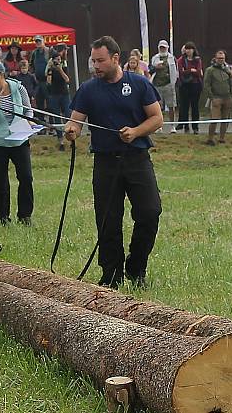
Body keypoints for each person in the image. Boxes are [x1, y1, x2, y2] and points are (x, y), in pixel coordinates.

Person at [64, 35, 163, 289]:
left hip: (137, 159)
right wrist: (72, 130)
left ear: (115, 58)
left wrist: (136, 132)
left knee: (150, 212)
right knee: (108, 221)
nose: (95, 66)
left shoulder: (140, 84)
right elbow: (75, 120)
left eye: (100, 61)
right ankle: (111, 274)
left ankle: (136, 266)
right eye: (92, 61)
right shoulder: (88, 89)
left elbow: (156, 119)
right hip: (106, 163)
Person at [0, 61, 34, 226]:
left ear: (1, 75)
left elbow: (28, 109)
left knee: (26, 177)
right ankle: (3, 216)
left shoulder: (19, 88)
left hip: (20, 139)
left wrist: (28, 121)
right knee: (1, 181)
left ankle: (25, 215)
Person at [202, 50, 232, 145]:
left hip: (227, 97)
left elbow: (231, 82)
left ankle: (222, 138)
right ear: (215, 59)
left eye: (223, 58)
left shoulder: (228, 69)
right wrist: (212, 97)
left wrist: (231, 94)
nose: (221, 60)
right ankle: (210, 138)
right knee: (214, 119)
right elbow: (206, 85)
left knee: (225, 119)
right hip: (216, 97)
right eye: (219, 58)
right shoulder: (210, 70)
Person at [150, 40, 178, 134]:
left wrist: (174, 82)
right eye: (161, 47)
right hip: (157, 85)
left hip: (169, 84)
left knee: (171, 106)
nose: (162, 49)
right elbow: (150, 70)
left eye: (164, 47)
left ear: (167, 48)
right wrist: (155, 67)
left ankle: (172, 125)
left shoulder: (172, 58)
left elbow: (175, 71)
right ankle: (159, 126)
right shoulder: (155, 58)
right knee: (158, 107)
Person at [46, 49, 71, 151]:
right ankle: (60, 140)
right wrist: (51, 70)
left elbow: (67, 79)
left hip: (64, 94)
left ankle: (70, 138)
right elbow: (48, 83)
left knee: (67, 115)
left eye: (59, 59)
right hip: (54, 94)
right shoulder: (50, 69)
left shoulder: (64, 68)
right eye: (56, 59)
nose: (58, 61)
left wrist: (60, 69)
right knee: (56, 117)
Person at [176, 41, 203, 133]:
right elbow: (181, 72)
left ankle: (195, 127)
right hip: (184, 85)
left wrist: (189, 70)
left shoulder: (197, 60)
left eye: (190, 49)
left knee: (195, 106)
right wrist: (191, 70)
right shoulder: (180, 60)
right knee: (184, 107)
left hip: (195, 85)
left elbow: (199, 73)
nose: (188, 51)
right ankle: (186, 126)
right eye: (186, 49)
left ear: (193, 50)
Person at [29, 36, 51, 124]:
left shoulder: (49, 51)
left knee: (50, 103)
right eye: (36, 41)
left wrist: (50, 77)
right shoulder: (34, 53)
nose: (38, 43)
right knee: (39, 104)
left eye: (39, 41)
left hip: (47, 82)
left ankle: (51, 124)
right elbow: (31, 65)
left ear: (43, 41)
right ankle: (42, 124)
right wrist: (33, 75)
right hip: (38, 82)